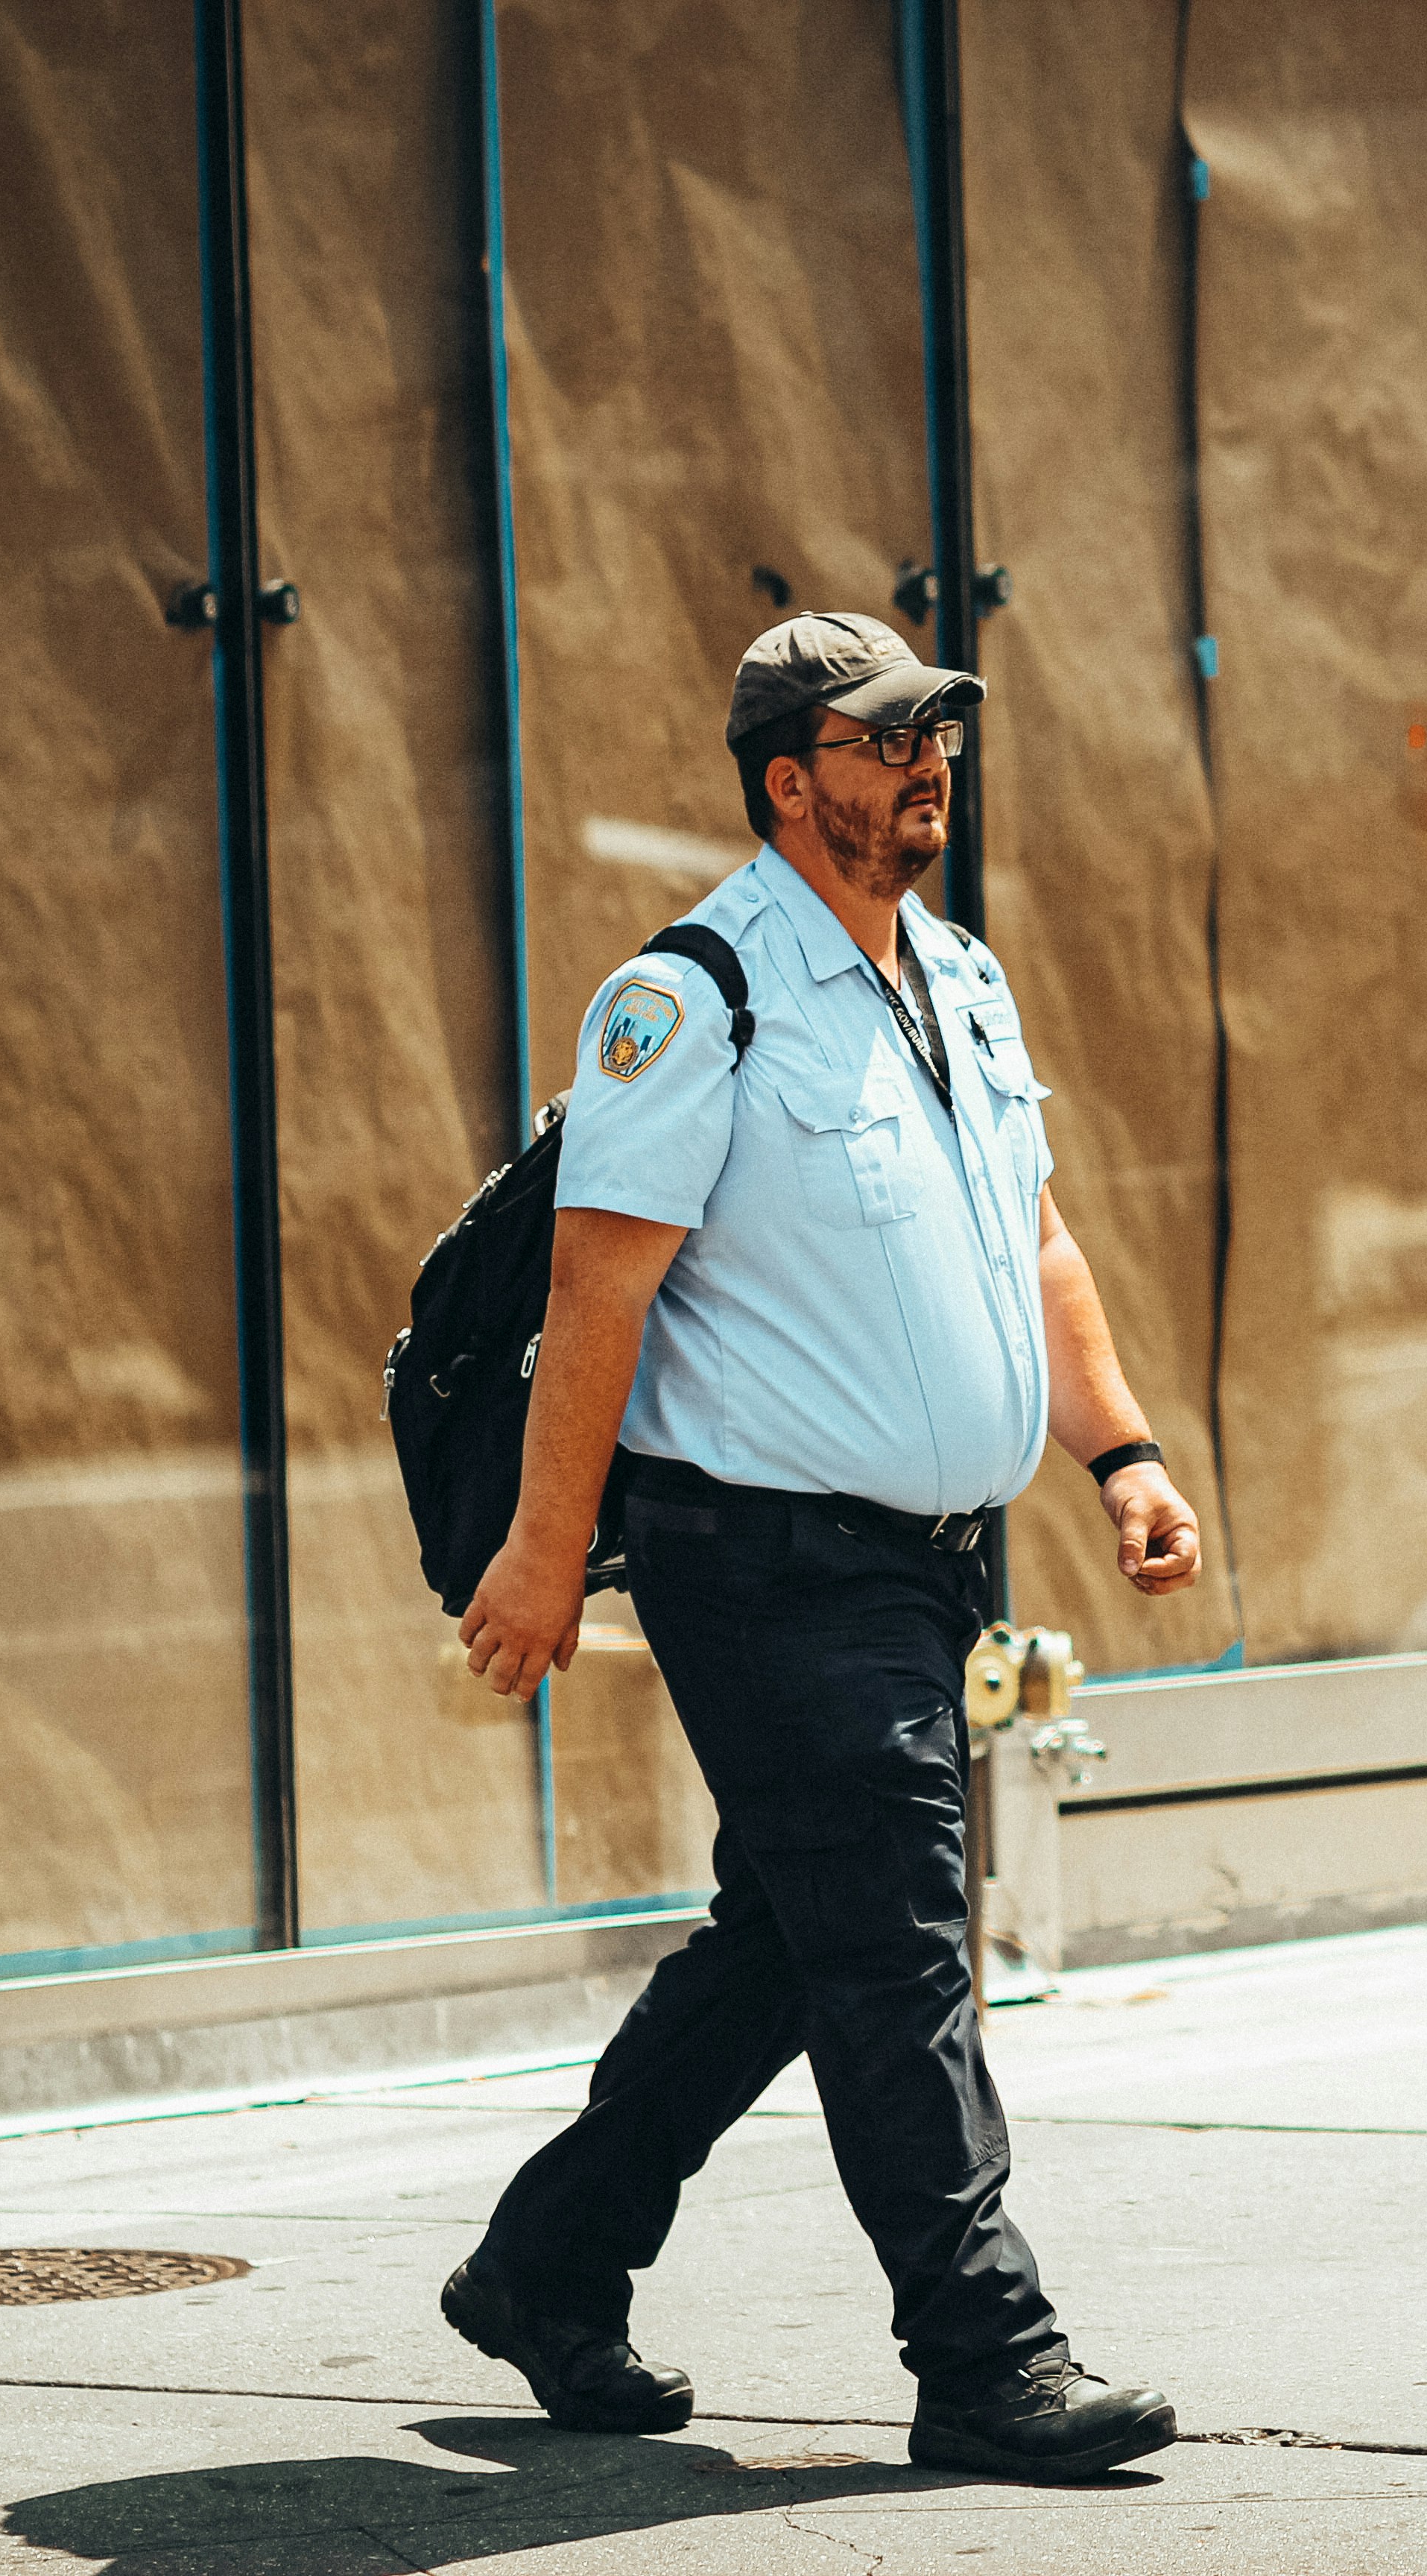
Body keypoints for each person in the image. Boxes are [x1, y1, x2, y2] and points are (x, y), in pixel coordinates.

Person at [440, 610, 1203, 2482]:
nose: (929, 761)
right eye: (885, 739)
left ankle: (547, 2265)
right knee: (896, 1943)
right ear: (792, 779)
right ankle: (982, 2352)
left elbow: (1037, 1243)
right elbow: (596, 1298)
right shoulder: (696, 996)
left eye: (943, 730)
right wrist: (544, 1555)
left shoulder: (957, 978)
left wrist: (1120, 1450)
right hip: (763, 1558)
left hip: (930, 1555)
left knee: (794, 1938)